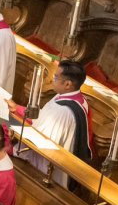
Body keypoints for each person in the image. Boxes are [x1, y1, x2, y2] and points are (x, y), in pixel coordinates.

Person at [17, 59, 91, 188]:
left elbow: (41, 144)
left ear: (67, 84)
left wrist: (13, 149)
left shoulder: (62, 110)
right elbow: (45, 118)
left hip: (45, 173)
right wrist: (18, 109)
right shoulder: (73, 97)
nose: (52, 80)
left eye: (56, 77)